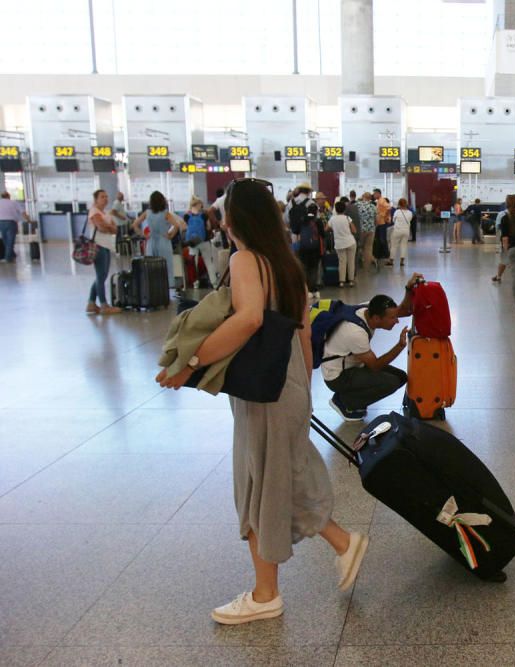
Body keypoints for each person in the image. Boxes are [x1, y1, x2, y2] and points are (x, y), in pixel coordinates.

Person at [156, 178, 368, 625]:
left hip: (265, 391)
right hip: (287, 384)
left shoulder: (246, 259)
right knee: (277, 477)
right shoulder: (286, 264)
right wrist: (305, 392)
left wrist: (190, 362)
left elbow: (249, 319)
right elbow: (304, 334)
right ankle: (341, 545)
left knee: (259, 482)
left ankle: (267, 593)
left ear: (233, 220)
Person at [322, 275, 421, 421]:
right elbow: (375, 366)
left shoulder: (369, 309)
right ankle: (346, 403)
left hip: (353, 366)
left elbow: (405, 310)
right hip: (338, 376)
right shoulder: (356, 333)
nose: (397, 320)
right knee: (391, 383)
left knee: (400, 377)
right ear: (376, 319)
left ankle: (347, 396)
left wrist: (408, 288)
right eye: (392, 318)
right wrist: (399, 346)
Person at [133, 191, 184, 291]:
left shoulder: (147, 213)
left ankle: (153, 286)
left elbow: (135, 224)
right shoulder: (166, 213)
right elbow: (177, 225)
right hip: (163, 241)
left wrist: (143, 235)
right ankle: (167, 286)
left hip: (151, 241)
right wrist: (171, 235)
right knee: (166, 265)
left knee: (152, 266)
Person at [84, 190, 121, 314]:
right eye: (102, 197)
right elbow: (101, 228)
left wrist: (108, 227)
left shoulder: (105, 213)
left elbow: (115, 229)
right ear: (96, 199)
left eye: (106, 196)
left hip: (107, 246)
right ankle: (104, 305)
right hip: (98, 246)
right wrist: (109, 226)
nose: (105, 199)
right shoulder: (94, 212)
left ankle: (91, 303)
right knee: (101, 275)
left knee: (102, 275)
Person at [184, 197, 219, 288]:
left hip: (192, 242)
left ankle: (195, 283)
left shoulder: (187, 216)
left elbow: (185, 228)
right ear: (198, 204)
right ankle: (214, 282)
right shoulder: (204, 215)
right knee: (208, 262)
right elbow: (208, 227)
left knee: (193, 263)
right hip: (204, 241)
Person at [329, 200, 357, 287]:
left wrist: (334, 229)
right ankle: (351, 281)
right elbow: (354, 230)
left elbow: (326, 228)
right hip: (350, 242)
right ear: (344, 210)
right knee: (351, 262)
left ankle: (342, 281)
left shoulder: (332, 219)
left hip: (339, 243)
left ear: (336, 210)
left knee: (342, 262)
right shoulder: (347, 218)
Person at [0, 191, 29, 263]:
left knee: (5, 240)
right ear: (9, 196)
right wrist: (28, 220)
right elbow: (23, 212)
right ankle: (8, 258)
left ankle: (12, 254)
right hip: (11, 223)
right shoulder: (14, 203)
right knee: (10, 241)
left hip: (1, 223)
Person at [389, 198, 413, 267]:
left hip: (397, 230)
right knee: (404, 245)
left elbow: (393, 220)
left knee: (394, 245)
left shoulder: (397, 212)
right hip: (406, 231)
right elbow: (410, 220)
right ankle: (402, 261)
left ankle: (391, 260)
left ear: (399, 204)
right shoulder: (410, 212)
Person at [357, 192, 377, 267]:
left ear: (363, 197)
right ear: (370, 198)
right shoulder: (373, 206)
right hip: (371, 230)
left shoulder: (358, 205)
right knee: (368, 248)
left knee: (359, 246)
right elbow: (376, 220)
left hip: (360, 230)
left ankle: (359, 263)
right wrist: (374, 227)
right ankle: (367, 265)